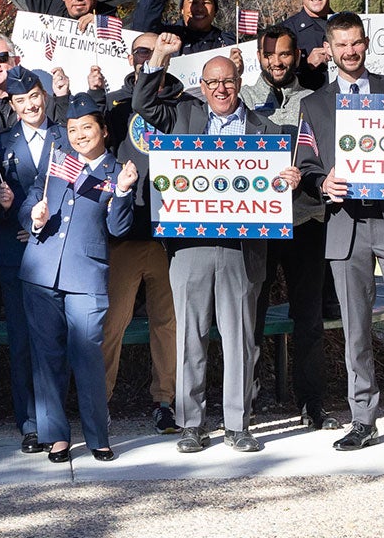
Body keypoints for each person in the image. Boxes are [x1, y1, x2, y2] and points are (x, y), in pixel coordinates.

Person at [134, 36, 299, 454]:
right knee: (190, 337)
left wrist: (291, 181)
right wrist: (159, 58)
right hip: (189, 248)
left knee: (241, 339)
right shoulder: (183, 115)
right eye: (211, 83)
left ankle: (237, 424)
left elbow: (280, 186)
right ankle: (191, 424)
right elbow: (142, 105)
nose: (220, 89)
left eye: (227, 81)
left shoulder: (269, 129)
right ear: (201, 86)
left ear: (239, 80)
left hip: (242, 250)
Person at [295, 12, 384, 451]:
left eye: (356, 42)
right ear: (330, 48)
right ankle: (363, 418)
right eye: (341, 45)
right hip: (345, 227)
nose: (350, 51)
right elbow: (305, 166)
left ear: (366, 42)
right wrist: (322, 182)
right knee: (356, 331)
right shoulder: (314, 105)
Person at [16, 94, 137, 463]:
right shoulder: (56, 162)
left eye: (87, 127)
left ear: (103, 131)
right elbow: (31, 200)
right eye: (72, 129)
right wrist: (33, 216)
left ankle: (98, 436)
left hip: (86, 275)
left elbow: (119, 228)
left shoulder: (118, 171)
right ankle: (56, 437)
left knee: (87, 356)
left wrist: (124, 191)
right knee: (46, 357)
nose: (80, 135)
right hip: (41, 270)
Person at [239, 25, 337, 430]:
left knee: (309, 318)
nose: (276, 62)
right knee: (251, 315)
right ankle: (245, 401)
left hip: (305, 220)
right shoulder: (243, 99)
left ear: (297, 56)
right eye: (269, 55)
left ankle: (311, 402)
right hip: (258, 225)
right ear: (259, 57)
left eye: (284, 55)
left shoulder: (314, 101)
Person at [96, 33, 182, 434]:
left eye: (154, 52)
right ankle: (101, 401)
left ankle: (164, 401)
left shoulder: (185, 103)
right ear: (132, 59)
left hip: (172, 236)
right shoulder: (116, 107)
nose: (147, 58)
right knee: (113, 322)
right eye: (141, 53)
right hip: (127, 234)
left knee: (168, 323)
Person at [0, 66, 68, 453]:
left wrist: (37, 226)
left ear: (44, 94)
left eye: (34, 95)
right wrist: (4, 209)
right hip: (16, 256)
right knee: (21, 343)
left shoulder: (67, 136)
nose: (30, 104)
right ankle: (31, 424)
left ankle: (57, 420)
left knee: (57, 341)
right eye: (21, 100)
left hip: (59, 251)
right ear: (13, 105)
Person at [282, 0, 336, 90]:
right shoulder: (285, 32)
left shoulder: (348, 26)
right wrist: (306, 65)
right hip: (306, 107)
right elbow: (276, 77)